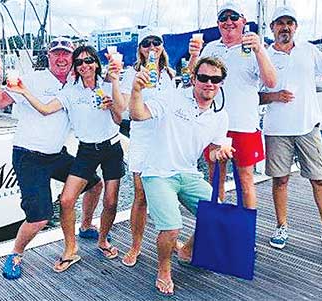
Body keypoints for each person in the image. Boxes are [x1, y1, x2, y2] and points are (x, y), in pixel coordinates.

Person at [0, 38, 104, 279]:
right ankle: (16, 253)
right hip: (28, 156)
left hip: (56, 154)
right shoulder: (33, 78)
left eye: (66, 54)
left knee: (95, 184)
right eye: (56, 54)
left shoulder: (76, 83)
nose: (61, 59)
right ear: (49, 57)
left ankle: (85, 226)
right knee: (40, 217)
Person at [7, 45, 127, 272]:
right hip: (86, 150)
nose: (84, 66)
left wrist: (112, 102)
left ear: (96, 63)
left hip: (111, 148)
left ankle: (102, 239)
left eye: (89, 60)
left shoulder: (107, 85)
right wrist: (23, 92)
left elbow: (120, 118)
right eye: (80, 62)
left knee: (110, 200)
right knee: (66, 200)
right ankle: (70, 250)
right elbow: (44, 109)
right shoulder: (70, 92)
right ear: (76, 66)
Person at [127, 56, 233, 296]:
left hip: (188, 172)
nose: (209, 83)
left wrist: (220, 154)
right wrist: (135, 90)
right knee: (172, 227)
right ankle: (163, 270)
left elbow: (215, 150)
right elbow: (138, 114)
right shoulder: (173, 97)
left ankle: (186, 251)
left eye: (215, 79)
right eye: (204, 78)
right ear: (194, 78)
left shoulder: (220, 115)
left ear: (221, 83)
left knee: (217, 212)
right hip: (157, 173)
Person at [259, 6, 322, 254]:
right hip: (277, 130)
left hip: (308, 127)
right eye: (280, 23)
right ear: (272, 28)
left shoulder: (309, 51)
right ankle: (281, 227)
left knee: (320, 180)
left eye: (290, 23)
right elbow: (254, 95)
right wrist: (274, 95)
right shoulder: (264, 56)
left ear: (296, 27)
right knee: (280, 181)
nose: (285, 27)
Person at [190, 1, 276, 211]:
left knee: (245, 180)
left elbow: (271, 82)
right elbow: (193, 79)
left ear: (243, 21)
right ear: (218, 24)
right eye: (223, 18)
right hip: (214, 124)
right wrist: (193, 55)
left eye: (233, 17)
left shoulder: (256, 48)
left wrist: (260, 51)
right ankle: (218, 227)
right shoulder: (211, 48)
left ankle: (247, 232)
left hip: (244, 125)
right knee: (214, 177)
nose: (228, 22)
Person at [119, 27, 180, 267]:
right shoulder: (131, 73)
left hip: (166, 140)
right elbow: (124, 106)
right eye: (146, 43)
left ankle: (171, 237)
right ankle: (135, 246)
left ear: (162, 46)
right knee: (140, 195)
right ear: (140, 49)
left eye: (156, 43)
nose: (152, 47)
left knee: (167, 192)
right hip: (143, 140)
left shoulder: (171, 75)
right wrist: (134, 88)